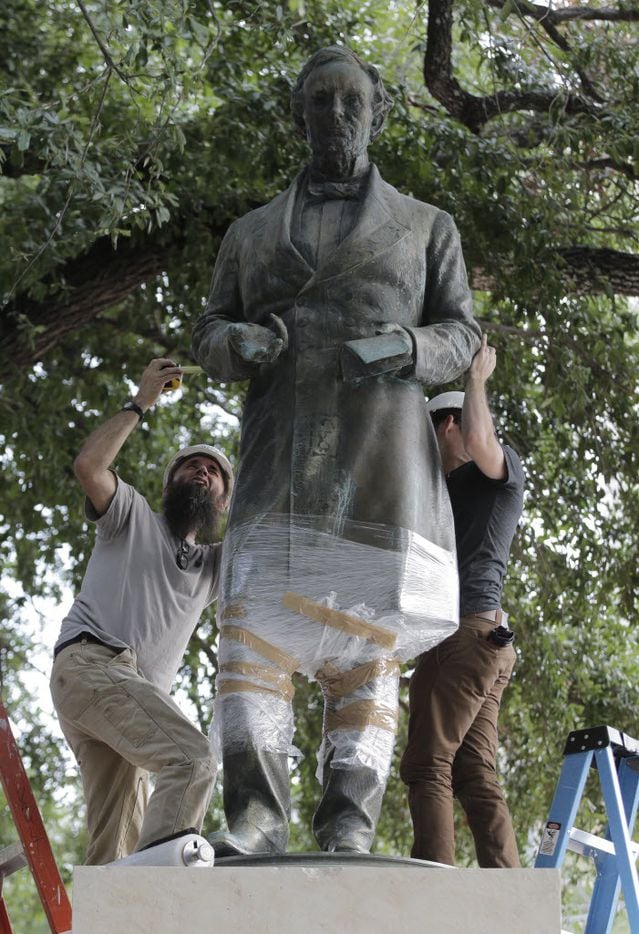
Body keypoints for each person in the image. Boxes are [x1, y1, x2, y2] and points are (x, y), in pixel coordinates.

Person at [192, 45, 480, 857]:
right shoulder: (249, 234)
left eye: (351, 102)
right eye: (319, 103)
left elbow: (462, 333)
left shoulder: (427, 227)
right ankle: (255, 821)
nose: (336, 117)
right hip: (278, 464)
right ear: (298, 117)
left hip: (379, 468)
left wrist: (405, 348)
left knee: (365, 651)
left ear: (377, 112)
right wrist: (234, 342)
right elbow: (208, 328)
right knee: (250, 639)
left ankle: (348, 823)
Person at [49, 358, 233, 865]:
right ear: (171, 482)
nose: (204, 470)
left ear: (222, 503)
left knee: (116, 849)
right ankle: (161, 902)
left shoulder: (213, 567)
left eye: (216, 472)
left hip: (127, 700)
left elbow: (273, 531)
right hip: (92, 667)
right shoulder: (130, 515)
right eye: (193, 465)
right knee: (193, 760)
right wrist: (141, 401)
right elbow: (90, 466)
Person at [399, 335, 524, 867]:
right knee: (474, 772)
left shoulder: (496, 477)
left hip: (465, 638)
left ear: (447, 426)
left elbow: (480, 437)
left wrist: (475, 381)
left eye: (429, 437)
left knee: (427, 764)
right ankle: (511, 895)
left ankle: (432, 892)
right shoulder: (439, 499)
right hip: (483, 643)